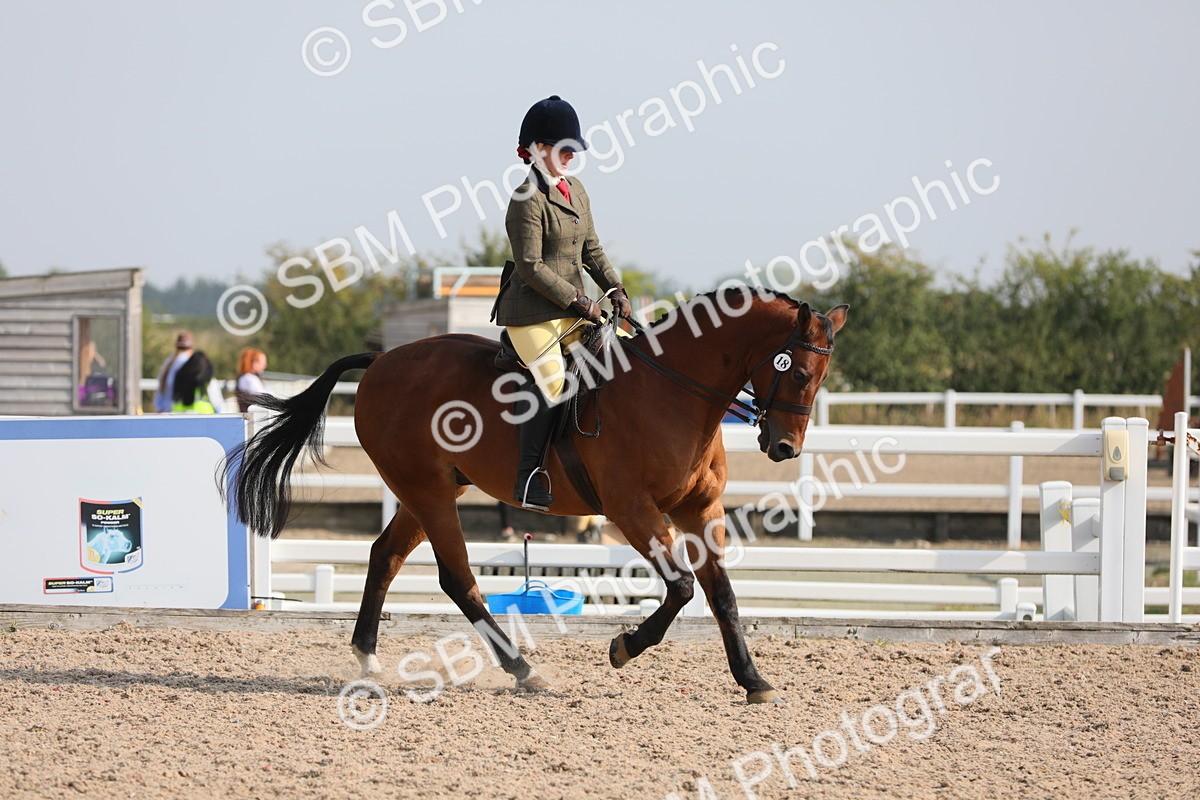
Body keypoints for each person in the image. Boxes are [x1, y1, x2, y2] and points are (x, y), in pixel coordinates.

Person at [494, 95, 633, 511]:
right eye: (563, 149)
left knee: (611, 368)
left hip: (572, 311)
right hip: (532, 312)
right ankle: (530, 475)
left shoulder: (576, 190)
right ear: (537, 150)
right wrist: (578, 299)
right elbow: (532, 266)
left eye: (573, 150)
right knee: (555, 383)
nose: (571, 157)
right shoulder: (526, 199)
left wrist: (616, 290)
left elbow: (592, 249)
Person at [153, 331, 194, 412]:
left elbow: (160, 391)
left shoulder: (169, 362)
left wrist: (159, 408)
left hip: (165, 411)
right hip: (179, 413)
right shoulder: (188, 363)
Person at [235, 347, 271, 412]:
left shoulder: (248, 378)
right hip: (252, 419)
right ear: (254, 363)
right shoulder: (248, 379)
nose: (265, 366)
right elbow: (266, 398)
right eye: (262, 362)